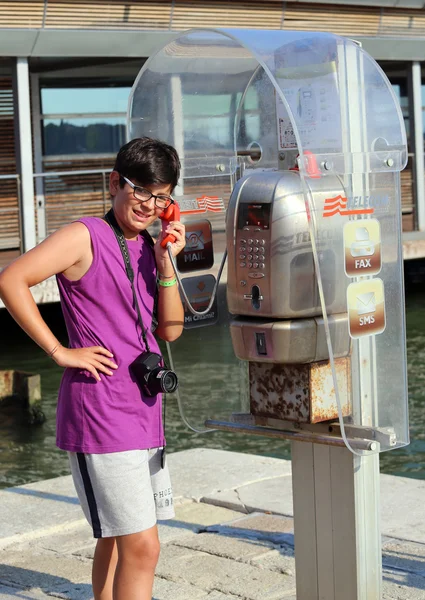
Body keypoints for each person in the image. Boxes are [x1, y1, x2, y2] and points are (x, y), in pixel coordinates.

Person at [0, 137, 186, 600]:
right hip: (100, 413)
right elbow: (11, 280)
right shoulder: (84, 236)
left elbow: (172, 331)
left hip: (144, 410)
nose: (149, 204)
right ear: (114, 184)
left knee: (117, 538)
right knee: (143, 546)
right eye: (140, 190)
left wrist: (166, 264)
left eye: (161, 195)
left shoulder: (149, 245)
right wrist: (60, 351)